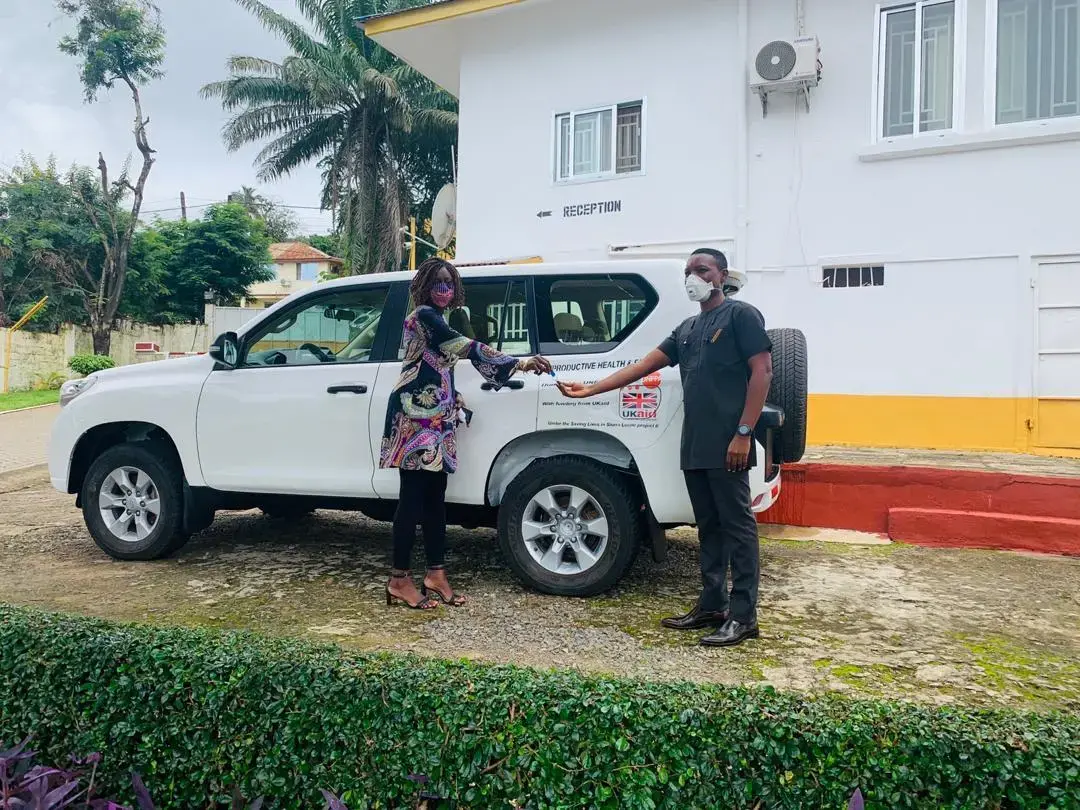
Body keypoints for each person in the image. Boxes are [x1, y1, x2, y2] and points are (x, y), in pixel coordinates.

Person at [558, 249, 773, 647]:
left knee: (738, 528)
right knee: (708, 527)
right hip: (695, 443)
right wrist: (590, 389)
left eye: (702, 270)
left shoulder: (741, 316)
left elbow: (762, 371)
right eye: (689, 271)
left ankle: (744, 616)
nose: (694, 276)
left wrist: (744, 431)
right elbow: (642, 366)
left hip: (731, 442)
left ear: (721, 276)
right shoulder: (688, 328)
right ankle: (713, 604)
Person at [380, 258, 553, 610]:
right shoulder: (426, 316)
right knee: (412, 499)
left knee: (434, 499)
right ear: (424, 287)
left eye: (448, 284)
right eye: (436, 283)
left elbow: (442, 365)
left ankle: (435, 574)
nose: (443, 290)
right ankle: (399, 579)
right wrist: (519, 362)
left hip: (438, 414)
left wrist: (453, 399)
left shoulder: (439, 317)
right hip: (414, 416)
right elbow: (465, 346)